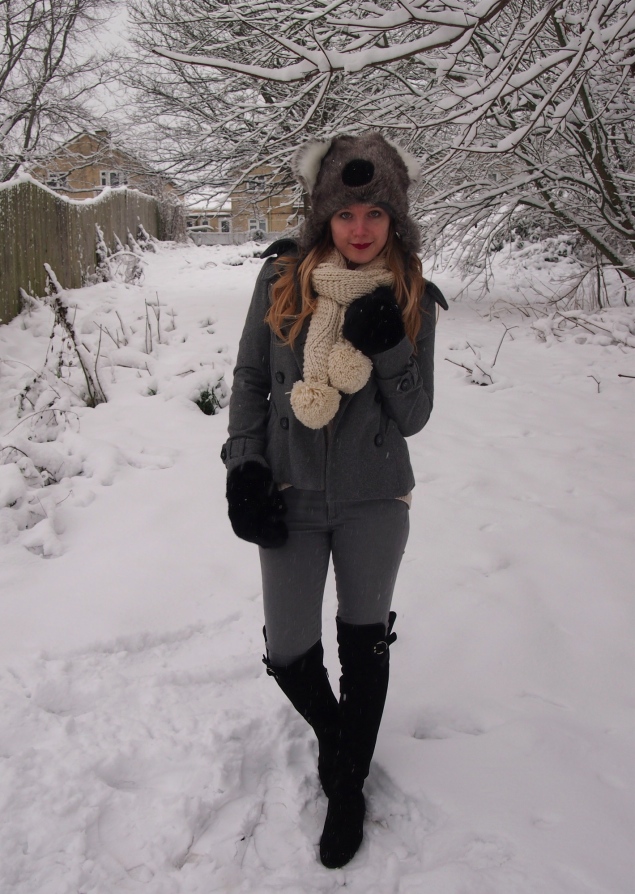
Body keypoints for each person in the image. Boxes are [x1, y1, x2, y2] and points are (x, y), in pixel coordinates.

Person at [221, 132, 447, 869]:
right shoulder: (282, 279)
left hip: (373, 500)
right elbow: (251, 380)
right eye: (347, 212)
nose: (359, 228)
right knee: (288, 650)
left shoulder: (412, 293)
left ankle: (345, 786)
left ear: (395, 221)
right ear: (324, 214)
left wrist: (388, 352)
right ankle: (335, 741)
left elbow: (413, 418)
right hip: (288, 493)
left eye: (375, 214)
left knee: (363, 641)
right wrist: (244, 466)